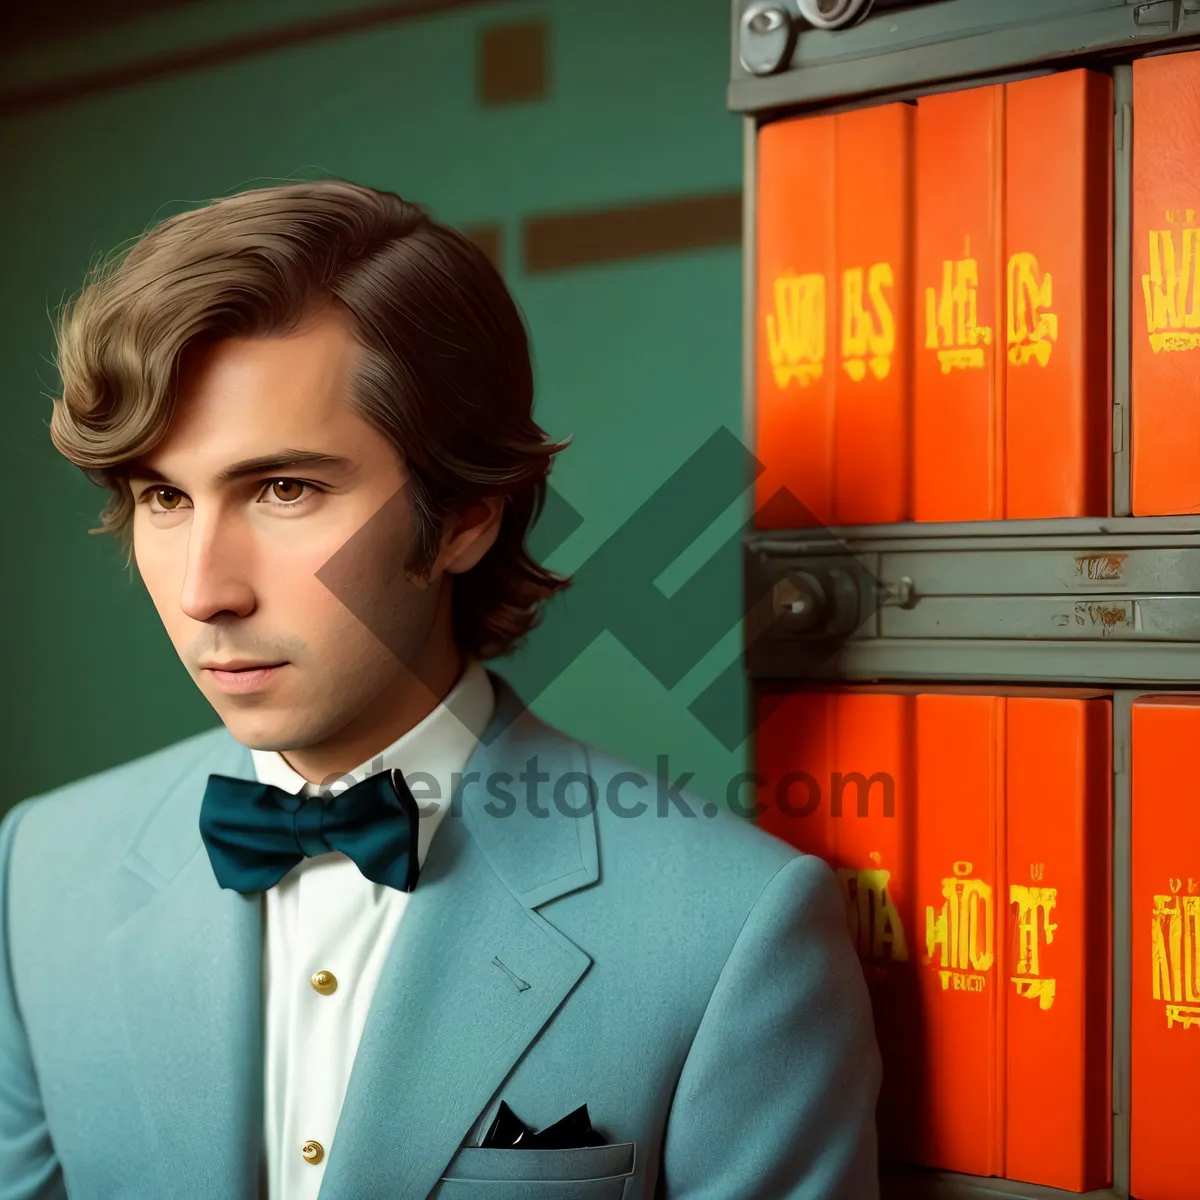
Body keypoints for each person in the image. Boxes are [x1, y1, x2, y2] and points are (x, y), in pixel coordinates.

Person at [0, 180, 880, 1199]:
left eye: (284, 489)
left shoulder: (736, 931)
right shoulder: (35, 872)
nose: (205, 591)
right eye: (163, 496)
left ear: (465, 515)